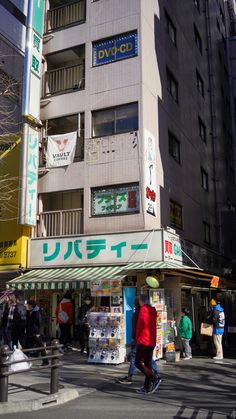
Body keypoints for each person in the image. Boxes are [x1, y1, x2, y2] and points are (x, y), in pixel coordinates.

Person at [118, 297, 162, 385]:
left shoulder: (140, 312)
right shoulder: (151, 311)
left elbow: (139, 327)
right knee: (147, 360)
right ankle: (149, 383)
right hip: (150, 340)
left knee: (136, 360)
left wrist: (135, 338)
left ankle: (153, 377)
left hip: (141, 340)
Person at [134, 294, 160, 395]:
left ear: (141, 301)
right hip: (151, 340)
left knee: (138, 362)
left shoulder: (143, 309)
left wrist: (137, 337)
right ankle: (146, 387)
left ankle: (154, 378)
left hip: (144, 340)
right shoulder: (152, 309)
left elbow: (141, 324)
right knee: (148, 364)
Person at [26, 300, 48, 366]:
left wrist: (38, 333)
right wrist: (27, 311)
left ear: (31, 305)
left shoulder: (37, 312)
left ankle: (45, 361)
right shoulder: (31, 311)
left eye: (28, 305)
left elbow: (40, 323)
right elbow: (29, 320)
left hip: (36, 332)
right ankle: (35, 356)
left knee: (40, 346)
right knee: (28, 345)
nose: (28, 306)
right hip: (31, 332)